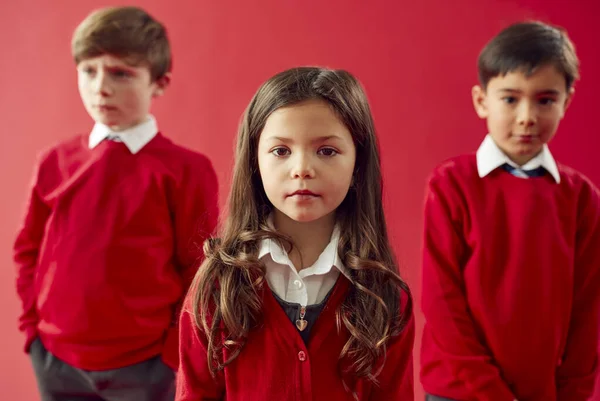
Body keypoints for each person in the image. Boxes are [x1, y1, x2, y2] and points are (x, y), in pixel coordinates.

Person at [13, 6, 219, 401]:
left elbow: (198, 270)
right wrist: (32, 333)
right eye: (89, 71)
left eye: (121, 73)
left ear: (159, 82)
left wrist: (170, 355)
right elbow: (27, 250)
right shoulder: (54, 161)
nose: (100, 87)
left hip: (144, 368)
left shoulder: (185, 170)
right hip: (56, 362)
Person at [176, 67, 415, 400]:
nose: (302, 168)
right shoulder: (218, 283)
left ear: (358, 165)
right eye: (281, 151)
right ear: (254, 163)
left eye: (327, 151)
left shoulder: (385, 295)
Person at [420, 21, 600, 401]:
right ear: (481, 100)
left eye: (545, 100)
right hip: (460, 393)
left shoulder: (582, 198)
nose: (526, 117)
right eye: (510, 98)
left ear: (567, 101)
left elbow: (587, 316)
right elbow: (443, 306)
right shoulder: (451, 184)